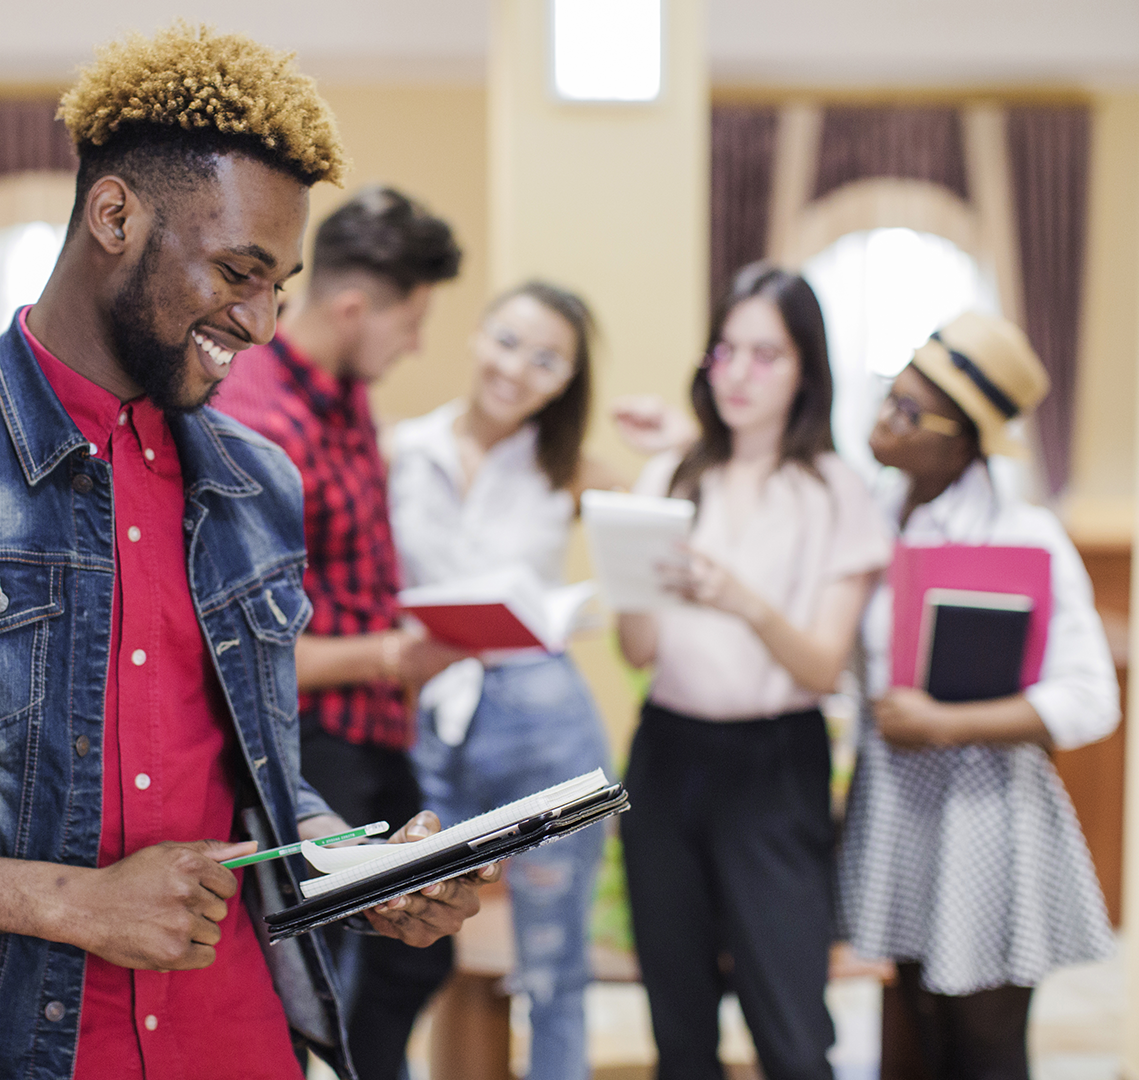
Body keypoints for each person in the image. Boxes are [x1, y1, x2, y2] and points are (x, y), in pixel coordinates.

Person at [0, 26, 481, 1080]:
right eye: (238, 272)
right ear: (114, 214)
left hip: (244, 1047)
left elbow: (259, 781)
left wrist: (350, 862)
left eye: (281, 287)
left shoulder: (261, 485)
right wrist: (73, 904)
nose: (260, 323)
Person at [211, 186, 473, 1080]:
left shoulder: (350, 396)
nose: (417, 344)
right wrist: (392, 656)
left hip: (371, 727)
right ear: (354, 307)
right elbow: (247, 643)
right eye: (412, 320)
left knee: (418, 944)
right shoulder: (258, 422)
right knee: (311, 974)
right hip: (309, 736)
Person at [615, 264, 891, 1080]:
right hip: (666, 757)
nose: (738, 374)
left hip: (776, 766)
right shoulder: (673, 475)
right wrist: (630, 577)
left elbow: (823, 663)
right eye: (725, 352)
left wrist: (743, 600)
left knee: (794, 1034)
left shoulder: (836, 491)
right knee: (680, 1030)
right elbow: (638, 651)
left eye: (766, 355)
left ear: (807, 368)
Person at [838, 313, 1118, 1080]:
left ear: (959, 443)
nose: (884, 420)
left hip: (986, 814)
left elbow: (1092, 698)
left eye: (908, 412)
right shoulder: (871, 517)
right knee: (920, 1028)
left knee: (986, 1045)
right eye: (887, 397)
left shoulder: (1022, 536)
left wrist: (945, 723)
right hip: (897, 806)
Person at [390, 282, 618, 1080]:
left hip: (545, 718)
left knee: (555, 966)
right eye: (510, 342)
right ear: (479, 336)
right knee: (406, 943)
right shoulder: (404, 450)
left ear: (566, 382)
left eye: (548, 360)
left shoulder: (570, 468)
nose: (520, 369)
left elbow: (674, 512)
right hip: (432, 718)